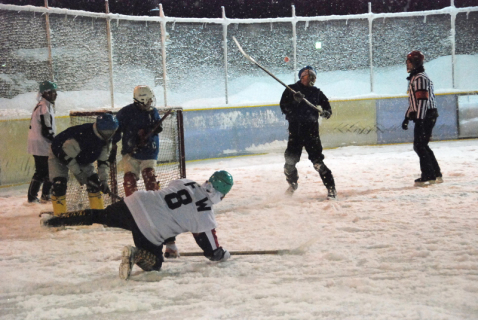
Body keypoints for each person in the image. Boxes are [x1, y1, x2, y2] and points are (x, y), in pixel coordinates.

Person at [42, 170, 234, 280]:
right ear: (221, 194)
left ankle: (56, 219)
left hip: (137, 202)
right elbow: (212, 252)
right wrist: (224, 254)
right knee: (156, 264)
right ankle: (137, 254)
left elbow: (170, 207)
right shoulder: (205, 215)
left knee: (99, 215)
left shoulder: (187, 181)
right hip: (150, 228)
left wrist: (171, 245)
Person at [111, 85, 180, 257]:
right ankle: (132, 207)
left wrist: (153, 130)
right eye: (148, 99)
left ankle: (154, 202)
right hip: (131, 153)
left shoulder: (153, 111)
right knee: (129, 179)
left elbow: (156, 126)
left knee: (150, 177)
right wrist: (118, 144)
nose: (151, 102)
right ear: (141, 99)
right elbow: (117, 131)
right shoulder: (125, 113)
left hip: (150, 152)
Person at [280, 66, 337, 199]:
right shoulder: (291, 90)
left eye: (313, 76)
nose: (310, 78)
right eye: (307, 75)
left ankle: (331, 188)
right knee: (289, 164)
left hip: (312, 134)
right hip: (295, 134)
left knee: (318, 163)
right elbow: (284, 107)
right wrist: (294, 101)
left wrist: (327, 112)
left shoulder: (316, 93)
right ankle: (293, 184)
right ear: (301, 77)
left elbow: (326, 106)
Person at [48, 114, 119, 215]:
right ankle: (60, 217)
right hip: (60, 153)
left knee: (94, 182)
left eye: (112, 131)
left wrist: (103, 181)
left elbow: (103, 161)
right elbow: (67, 157)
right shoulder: (83, 137)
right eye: (107, 132)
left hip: (82, 156)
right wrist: (79, 174)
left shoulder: (107, 139)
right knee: (59, 184)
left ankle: (98, 215)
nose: (109, 135)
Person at [401, 50, 442, 187]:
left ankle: (429, 175)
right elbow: (414, 102)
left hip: (426, 115)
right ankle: (435, 174)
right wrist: (407, 117)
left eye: (409, 62)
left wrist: (419, 119)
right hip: (426, 115)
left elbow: (423, 101)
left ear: (415, 63)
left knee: (419, 145)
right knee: (422, 145)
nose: (407, 65)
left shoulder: (419, 78)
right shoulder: (416, 77)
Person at [27, 81, 57, 203]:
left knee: (46, 171)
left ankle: (44, 195)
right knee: (43, 171)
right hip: (41, 144)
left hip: (39, 143)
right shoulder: (44, 107)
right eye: (52, 92)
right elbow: (46, 129)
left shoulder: (43, 105)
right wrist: (55, 141)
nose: (55, 95)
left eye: (55, 92)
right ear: (46, 93)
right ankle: (33, 197)